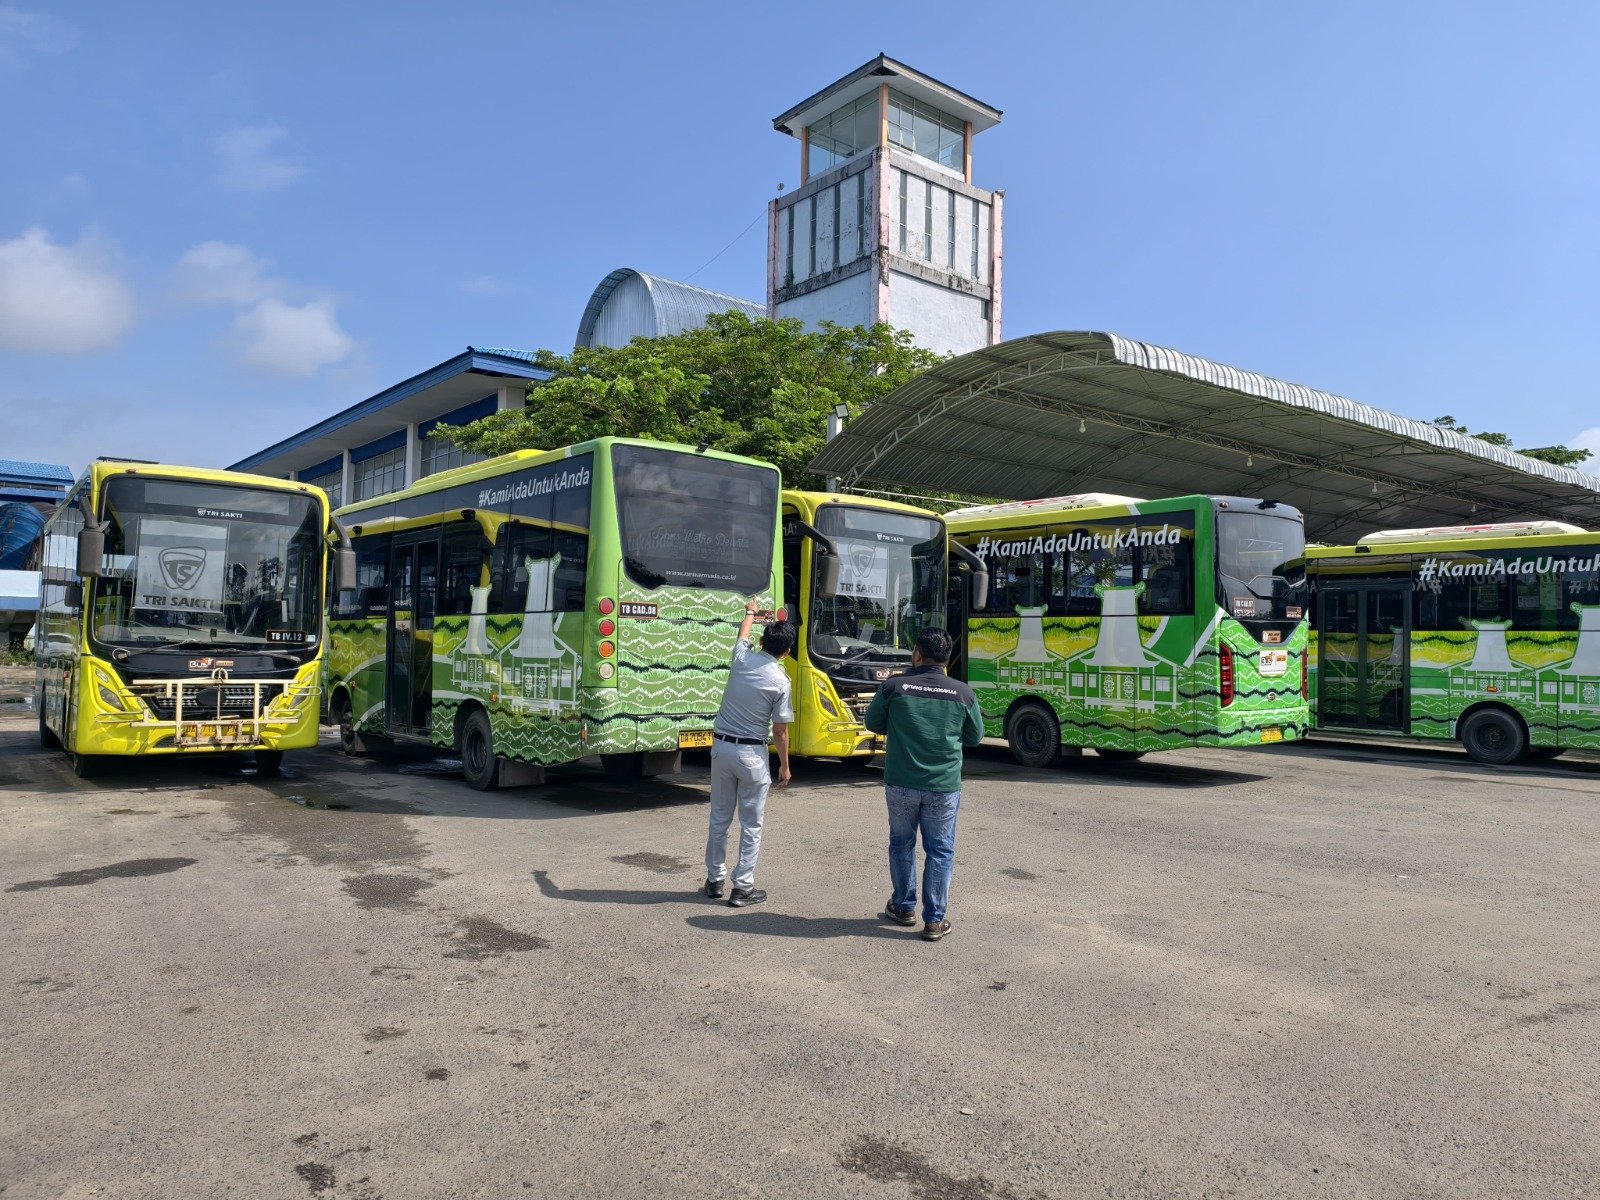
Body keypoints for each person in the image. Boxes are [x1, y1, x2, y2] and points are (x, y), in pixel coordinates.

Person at [863, 627, 985, 941]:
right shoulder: (963, 693)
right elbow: (974, 737)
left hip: (900, 783)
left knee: (901, 844)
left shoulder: (893, 687)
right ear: (947, 659)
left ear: (917, 654)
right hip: (943, 786)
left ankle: (903, 907)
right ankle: (934, 920)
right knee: (940, 851)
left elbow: (873, 723)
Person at [702, 600, 795, 908]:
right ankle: (742, 887)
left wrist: (751, 612)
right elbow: (780, 732)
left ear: (762, 641)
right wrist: (784, 765)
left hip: (722, 748)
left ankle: (715, 880)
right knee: (751, 823)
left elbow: (742, 635)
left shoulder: (741, 659)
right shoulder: (781, 681)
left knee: (719, 818)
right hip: (752, 755)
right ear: (786, 652)